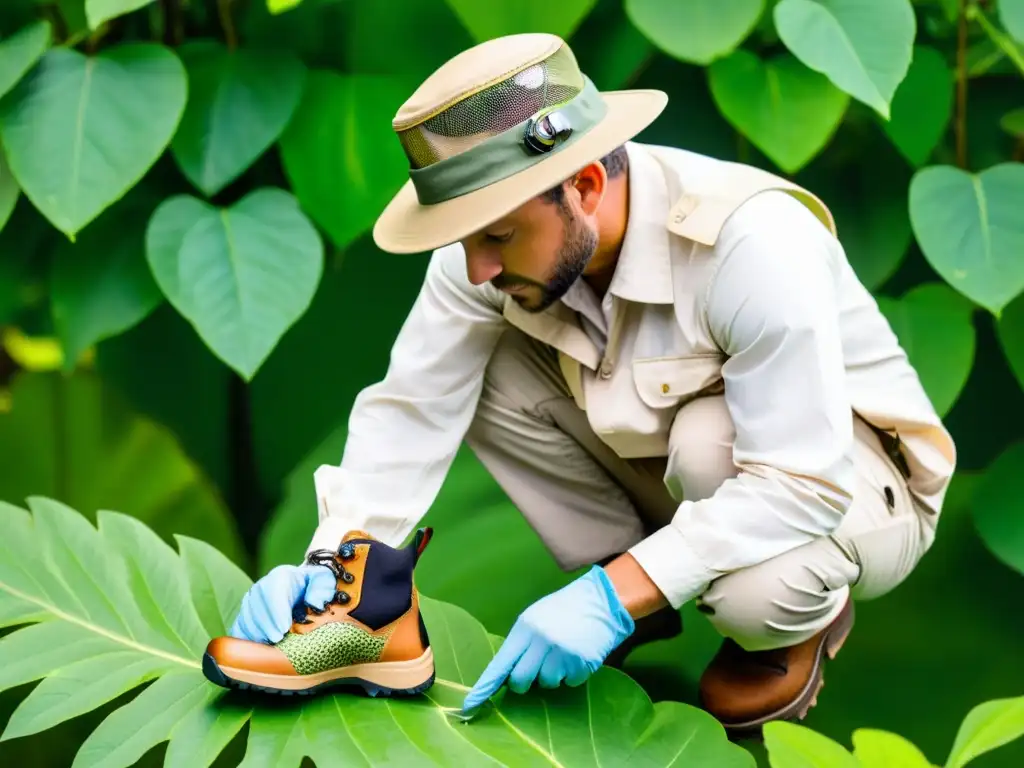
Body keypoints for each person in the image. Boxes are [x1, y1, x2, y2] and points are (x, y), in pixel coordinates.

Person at [225, 32, 955, 734]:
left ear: (583, 183)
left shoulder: (753, 243)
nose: (476, 266)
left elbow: (804, 479)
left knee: (722, 492)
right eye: (465, 238)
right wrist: (334, 559)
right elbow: (413, 406)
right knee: (486, 357)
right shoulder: (487, 261)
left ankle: (762, 616)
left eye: (497, 236)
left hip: (852, 490)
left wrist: (609, 601)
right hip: (678, 473)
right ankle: (629, 585)